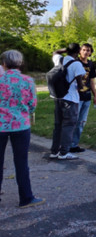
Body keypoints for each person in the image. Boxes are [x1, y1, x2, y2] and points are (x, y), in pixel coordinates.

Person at [0, 50, 44, 208]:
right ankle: (26, 197)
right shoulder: (27, 80)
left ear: (4, 64)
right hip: (20, 125)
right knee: (21, 162)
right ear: (20, 63)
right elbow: (32, 105)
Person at [50, 43, 85, 160]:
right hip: (70, 98)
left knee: (58, 125)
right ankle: (64, 152)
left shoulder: (59, 59)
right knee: (69, 126)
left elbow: (55, 52)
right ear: (78, 51)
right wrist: (82, 86)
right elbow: (80, 85)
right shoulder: (77, 64)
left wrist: (66, 49)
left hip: (58, 97)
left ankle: (54, 151)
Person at [70, 43, 96, 153]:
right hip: (76, 97)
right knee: (73, 120)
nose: (86, 52)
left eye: (88, 50)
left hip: (87, 96)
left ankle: (74, 144)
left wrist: (95, 95)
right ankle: (67, 144)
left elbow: (91, 81)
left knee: (81, 122)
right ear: (80, 51)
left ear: (90, 52)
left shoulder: (91, 64)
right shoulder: (76, 63)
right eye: (84, 50)